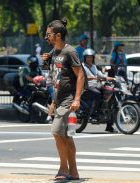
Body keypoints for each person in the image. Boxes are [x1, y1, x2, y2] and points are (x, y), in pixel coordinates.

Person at [45, 18, 84, 181]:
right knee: (66, 136)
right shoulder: (54, 53)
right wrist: (53, 102)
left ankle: (63, 169)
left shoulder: (70, 52)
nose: (46, 37)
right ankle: (73, 172)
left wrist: (77, 99)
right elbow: (56, 78)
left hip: (69, 99)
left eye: (49, 34)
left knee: (56, 131)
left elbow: (80, 75)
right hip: (59, 99)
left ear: (58, 35)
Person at [81, 48, 116, 133]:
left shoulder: (94, 67)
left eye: (91, 57)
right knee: (97, 94)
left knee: (111, 94)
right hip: (87, 87)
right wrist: (93, 77)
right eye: (87, 57)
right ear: (85, 58)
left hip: (96, 85)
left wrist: (112, 78)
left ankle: (109, 125)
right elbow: (83, 77)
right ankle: (93, 113)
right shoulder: (82, 66)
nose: (89, 59)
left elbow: (101, 75)